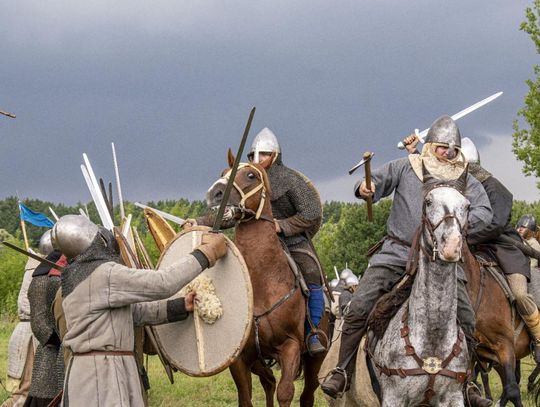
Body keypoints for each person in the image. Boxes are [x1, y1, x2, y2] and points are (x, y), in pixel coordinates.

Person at [321, 115, 493, 402]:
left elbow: (485, 212)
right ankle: (343, 370)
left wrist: (457, 226)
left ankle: (466, 383)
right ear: (431, 145)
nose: (447, 153)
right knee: (360, 305)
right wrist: (365, 189)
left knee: (466, 316)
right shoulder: (407, 166)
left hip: (443, 262)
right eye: (442, 147)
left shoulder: (463, 178)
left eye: (452, 149)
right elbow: (375, 182)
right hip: (397, 253)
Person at [51, 215, 226, 406]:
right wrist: (207, 253)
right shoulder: (104, 273)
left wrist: (179, 306)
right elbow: (163, 283)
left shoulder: (75, 279)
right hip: (103, 376)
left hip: (88, 372)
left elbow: (133, 314)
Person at [459, 138, 540, 363]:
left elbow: (495, 224)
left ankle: (538, 337)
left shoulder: (496, 188)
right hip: (473, 249)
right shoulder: (462, 190)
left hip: (504, 249)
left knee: (520, 293)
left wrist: (466, 237)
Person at [246, 127, 326, 354]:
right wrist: (200, 221)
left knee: (312, 272)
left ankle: (312, 332)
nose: (257, 160)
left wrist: (283, 225)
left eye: (263, 154)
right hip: (256, 246)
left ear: (275, 156)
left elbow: (311, 213)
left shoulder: (290, 180)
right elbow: (232, 210)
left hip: (291, 242)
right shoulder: (247, 180)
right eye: (253, 155)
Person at [1, 232, 50, 407]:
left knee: (26, 397)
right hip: (30, 336)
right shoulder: (42, 270)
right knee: (22, 396)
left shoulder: (34, 266)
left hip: (25, 332)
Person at [24, 233, 67, 407]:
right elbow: (40, 324)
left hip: (59, 350)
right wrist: (60, 339)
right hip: (53, 353)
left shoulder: (43, 273)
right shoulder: (46, 276)